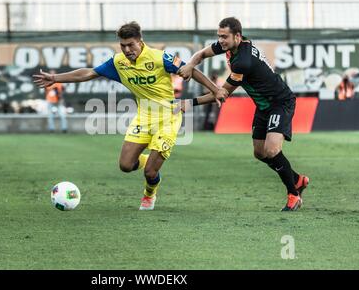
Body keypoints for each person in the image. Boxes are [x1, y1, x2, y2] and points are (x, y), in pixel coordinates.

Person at [33, 21, 226, 210]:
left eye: (130, 45)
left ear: (140, 42)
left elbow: (191, 70)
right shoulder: (119, 62)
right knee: (125, 165)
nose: (126, 50)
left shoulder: (160, 58)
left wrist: (216, 90)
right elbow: (89, 73)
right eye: (122, 45)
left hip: (169, 116)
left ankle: (149, 194)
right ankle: (149, 161)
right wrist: (55, 78)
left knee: (150, 172)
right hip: (144, 117)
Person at [177, 17, 309, 211]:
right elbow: (202, 53)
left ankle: (293, 194)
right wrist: (190, 64)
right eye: (219, 36)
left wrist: (189, 103)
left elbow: (222, 94)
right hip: (263, 106)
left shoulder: (243, 62)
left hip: (280, 102)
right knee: (259, 153)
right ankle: (297, 179)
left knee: (272, 150)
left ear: (237, 36)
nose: (221, 40)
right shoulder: (231, 46)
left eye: (224, 37)